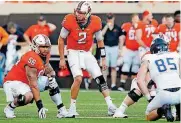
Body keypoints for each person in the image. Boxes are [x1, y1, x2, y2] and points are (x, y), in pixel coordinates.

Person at [58, 1, 116, 117]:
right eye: (77, 12)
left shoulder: (95, 21)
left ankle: (110, 105)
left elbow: (100, 40)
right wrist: (62, 58)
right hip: (73, 52)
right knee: (78, 78)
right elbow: (61, 39)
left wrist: (103, 58)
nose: (78, 15)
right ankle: (72, 107)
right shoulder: (69, 19)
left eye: (82, 13)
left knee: (99, 77)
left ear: (88, 13)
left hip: (86, 52)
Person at [3, 34, 67, 119]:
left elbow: (48, 68)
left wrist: (52, 76)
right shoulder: (31, 58)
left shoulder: (45, 55)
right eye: (43, 47)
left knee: (53, 83)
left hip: (27, 81)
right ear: (35, 47)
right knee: (29, 97)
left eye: (47, 47)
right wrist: (40, 106)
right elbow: (33, 85)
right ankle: (9, 108)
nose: (46, 49)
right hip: (14, 82)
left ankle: (61, 110)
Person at [137, 38, 181, 122]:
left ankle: (162, 109)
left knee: (148, 116)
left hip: (164, 94)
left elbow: (139, 80)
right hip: (179, 91)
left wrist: (149, 98)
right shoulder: (175, 55)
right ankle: (179, 110)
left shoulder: (148, 57)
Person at [101, 13, 124, 90]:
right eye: (108, 18)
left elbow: (121, 39)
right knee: (105, 67)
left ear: (113, 18)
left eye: (111, 18)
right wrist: (107, 26)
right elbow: (101, 36)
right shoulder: (104, 27)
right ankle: (104, 84)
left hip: (115, 48)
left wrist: (120, 50)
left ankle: (113, 84)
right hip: (106, 47)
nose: (110, 20)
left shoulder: (117, 27)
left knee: (114, 67)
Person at [118, 14, 140, 91]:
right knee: (126, 66)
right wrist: (120, 49)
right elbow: (122, 38)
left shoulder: (141, 26)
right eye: (135, 18)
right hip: (128, 49)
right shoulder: (127, 26)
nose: (137, 20)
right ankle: (122, 85)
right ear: (132, 19)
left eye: (137, 18)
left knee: (135, 68)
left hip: (138, 50)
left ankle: (133, 86)